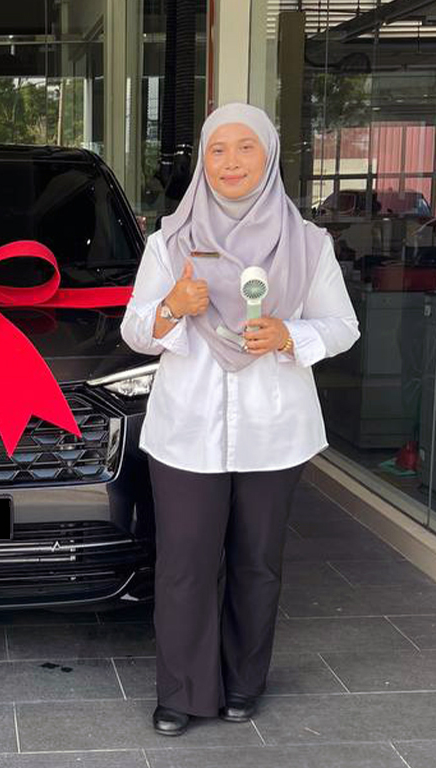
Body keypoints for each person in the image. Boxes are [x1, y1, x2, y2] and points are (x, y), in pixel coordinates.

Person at [120, 103, 359, 737]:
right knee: (185, 565)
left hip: (274, 431)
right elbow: (136, 331)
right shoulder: (169, 242)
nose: (231, 162)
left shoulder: (308, 244)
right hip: (187, 430)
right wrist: (172, 306)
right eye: (217, 149)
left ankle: (243, 683)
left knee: (257, 564)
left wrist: (291, 334)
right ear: (203, 160)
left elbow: (343, 326)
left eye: (245, 147)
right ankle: (183, 691)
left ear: (269, 156)